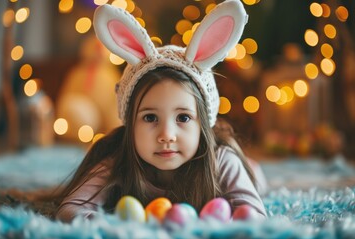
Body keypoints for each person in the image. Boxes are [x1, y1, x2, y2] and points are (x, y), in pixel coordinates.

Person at [56, 0, 267, 222]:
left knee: (251, 171)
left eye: (183, 117)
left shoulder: (223, 161)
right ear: (130, 123)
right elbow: (70, 210)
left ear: (203, 122)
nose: (166, 135)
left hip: (247, 170)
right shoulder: (117, 159)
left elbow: (254, 216)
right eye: (150, 117)